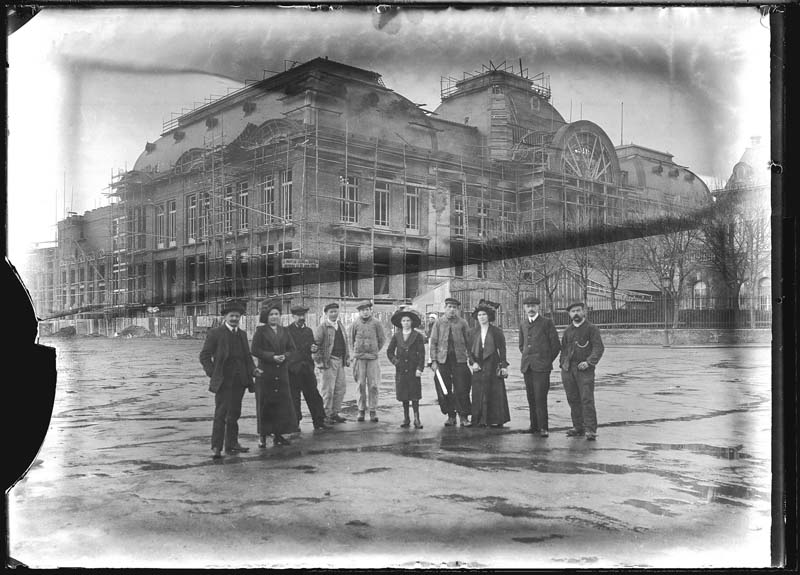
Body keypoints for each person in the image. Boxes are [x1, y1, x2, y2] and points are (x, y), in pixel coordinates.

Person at [199, 300, 258, 459]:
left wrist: (253, 370)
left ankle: (232, 444)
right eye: (232, 316)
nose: (234, 319)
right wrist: (214, 373)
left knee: (235, 413)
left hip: (240, 381)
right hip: (223, 382)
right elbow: (204, 356)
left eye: (237, 316)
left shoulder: (242, 334)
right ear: (225, 317)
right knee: (221, 414)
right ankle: (216, 447)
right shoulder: (215, 333)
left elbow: (247, 357)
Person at [251, 300, 298, 447]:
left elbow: (292, 349)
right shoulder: (261, 331)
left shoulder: (285, 331)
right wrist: (271, 356)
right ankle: (263, 437)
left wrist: (286, 356)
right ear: (266, 316)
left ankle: (278, 435)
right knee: (265, 406)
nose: (274, 317)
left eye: (277, 314)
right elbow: (255, 350)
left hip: (282, 374)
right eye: (271, 314)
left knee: (281, 405)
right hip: (266, 374)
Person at [559, 302, 605, 441]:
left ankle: (590, 429)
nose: (576, 314)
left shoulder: (591, 329)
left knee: (586, 399)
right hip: (568, 370)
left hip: (584, 370)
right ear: (569, 314)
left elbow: (598, 348)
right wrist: (562, 364)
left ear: (584, 312)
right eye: (573, 311)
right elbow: (564, 350)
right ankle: (578, 427)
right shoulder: (568, 331)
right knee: (572, 399)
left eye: (578, 310)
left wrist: (589, 362)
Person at [518, 296, 561, 437]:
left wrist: (546, 361)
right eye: (528, 306)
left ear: (538, 307)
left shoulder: (546, 323)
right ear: (524, 308)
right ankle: (534, 426)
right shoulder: (523, 324)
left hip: (542, 368)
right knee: (531, 397)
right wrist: (528, 358)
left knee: (540, 398)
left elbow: (555, 345)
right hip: (527, 367)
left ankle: (543, 427)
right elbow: (521, 345)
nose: (531, 308)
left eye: (533, 306)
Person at [286, 304, 331, 431]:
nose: (301, 317)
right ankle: (295, 424)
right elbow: (286, 349)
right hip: (293, 370)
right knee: (294, 398)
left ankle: (319, 422)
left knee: (314, 396)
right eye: (298, 315)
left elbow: (312, 346)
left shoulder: (308, 331)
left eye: (303, 315)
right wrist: (292, 363)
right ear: (293, 316)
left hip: (307, 369)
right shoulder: (287, 331)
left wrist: (313, 348)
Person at [467, 301, 510, 428]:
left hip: (493, 363)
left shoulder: (496, 331)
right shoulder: (473, 332)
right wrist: (473, 363)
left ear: (489, 316)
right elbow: (469, 350)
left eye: (484, 314)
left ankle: (495, 419)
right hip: (478, 364)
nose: (481, 317)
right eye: (479, 315)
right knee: (478, 391)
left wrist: (503, 366)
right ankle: (479, 419)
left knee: (494, 391)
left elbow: (502, 349)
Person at [429, 297, 472, 427]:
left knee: (462, 388)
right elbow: (433, 343)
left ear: (457, 309)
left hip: (459, 360)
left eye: (454, 307)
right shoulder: (438, 322)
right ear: (445, 308)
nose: (452, 310)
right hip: (443, 361)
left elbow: (469, 342)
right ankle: (451, 416)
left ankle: (463, 416)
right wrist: (433, 361)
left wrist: (471, 358)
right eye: (449, 307)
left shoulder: (463, 323)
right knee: (444, 389)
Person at [386, 308, 426, 429]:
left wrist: (420, 368)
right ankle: (406, 418)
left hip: (414, 369)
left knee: (414, 395)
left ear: (412, 322)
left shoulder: (417, 336)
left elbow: (422, 353)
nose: (406, 323)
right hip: (401, 370)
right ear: (401, 323)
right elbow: (389, 351)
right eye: (404, 320)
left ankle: (417, 418)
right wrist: (395, 362)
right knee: (404, 395)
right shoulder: (397, 336)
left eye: (408, 320)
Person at [313, 302, 350, 425]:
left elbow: (346, 342)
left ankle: (335, 413)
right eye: (331, 312)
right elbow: (315, 346)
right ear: (326, 313)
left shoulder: (340, 325)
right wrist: (320, 362)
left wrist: (347, 358)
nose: (334, 314)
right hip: (328, 362)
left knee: (340, 388)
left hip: (340, 361)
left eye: (335, 311)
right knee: (327, 390)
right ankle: (326, 415)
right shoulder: (322, 327)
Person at [350, 301, 386, 423]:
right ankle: (361, 410)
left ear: (371, 310)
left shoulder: (376, 323)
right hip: (359, 358)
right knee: (360, 384)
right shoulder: (355, 324)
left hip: (372, 358)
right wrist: (355, 352)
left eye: (367, 310)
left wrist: (374, 350)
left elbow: (382, 339)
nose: (365, 312)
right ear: (359, 312)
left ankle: (372, 410)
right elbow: (351, 339)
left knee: (373, 385)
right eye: (362, 310)